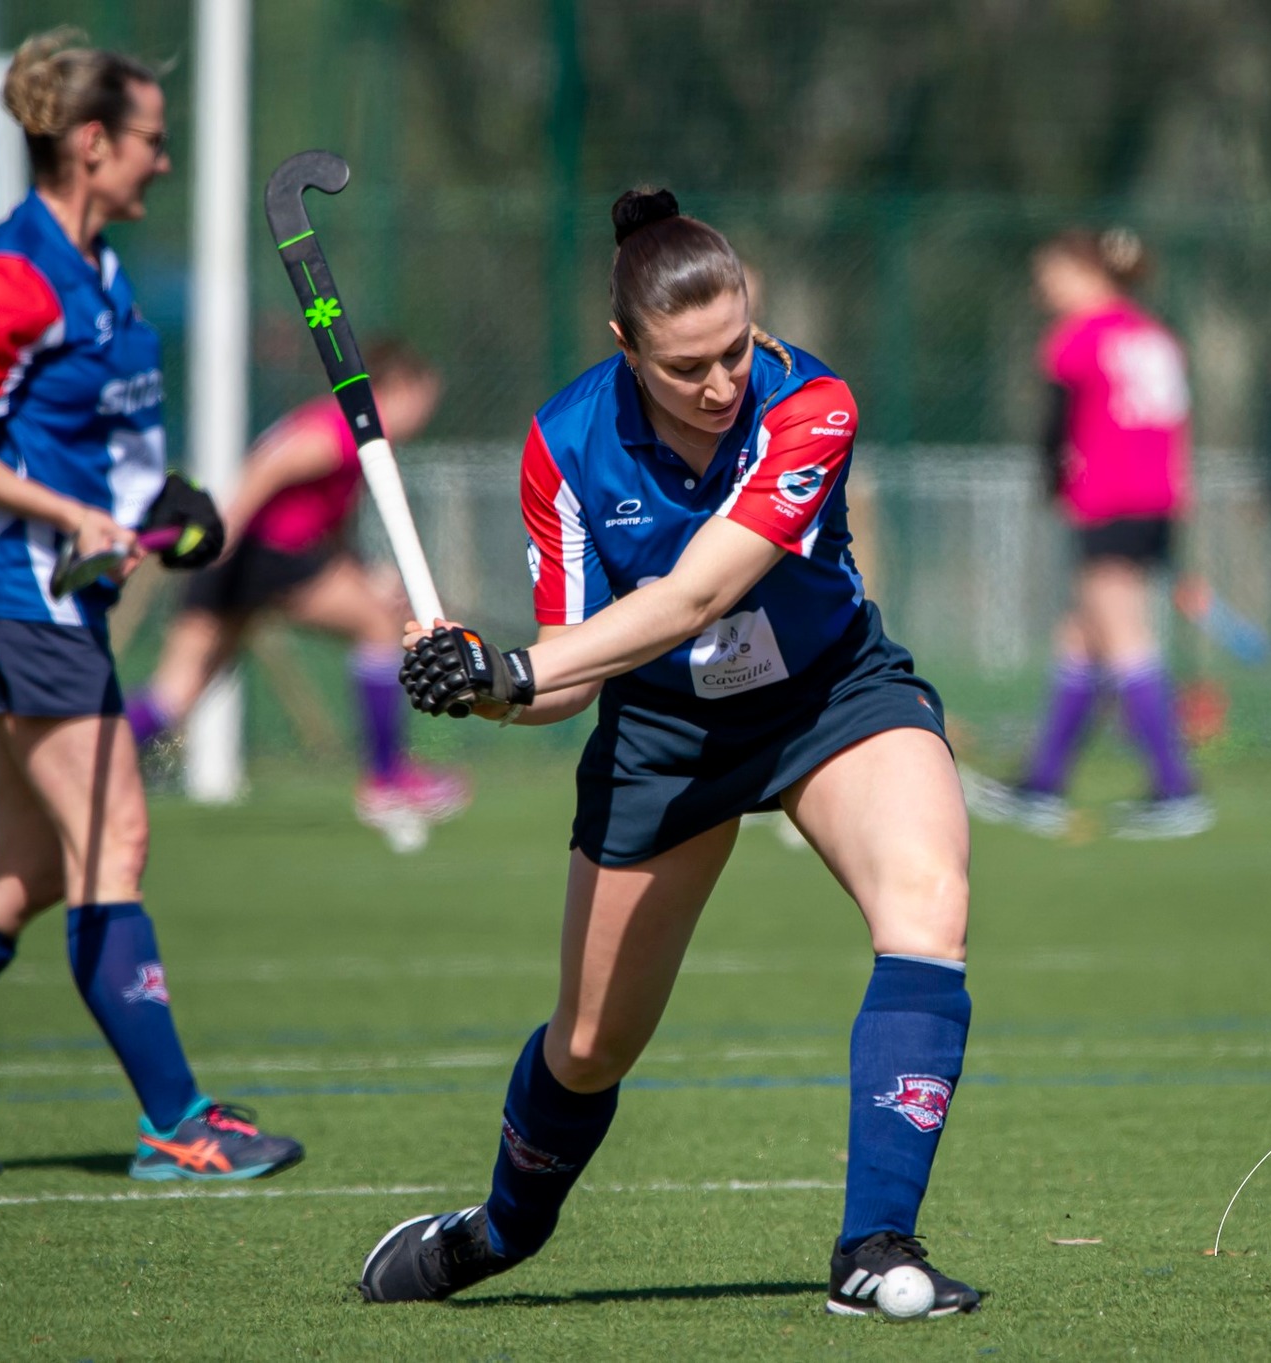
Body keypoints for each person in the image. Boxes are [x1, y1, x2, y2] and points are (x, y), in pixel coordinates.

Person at [356, 189, 981, 1319]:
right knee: (591, 1043)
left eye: (734, 349)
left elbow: (697, 593)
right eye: (686, 366)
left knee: (928, 906)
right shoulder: (564, 445)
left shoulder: (810, 404)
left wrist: (514, 670)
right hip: (662, 736)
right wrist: (482, 685)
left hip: (829, 695)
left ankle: (875, 1246)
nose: (721, 383)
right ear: (625, 348)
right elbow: (567, 677)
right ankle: (497, 1230)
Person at [0, 30, 301, 1181]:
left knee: (30, 866)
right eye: (149, 141)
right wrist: (73, 515)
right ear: (90, 143)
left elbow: (80, 437)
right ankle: (179, 1124)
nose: (162, 162)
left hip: (49, 601)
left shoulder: (97, 268)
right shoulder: (15, 273)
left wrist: (152, 509)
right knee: (114, 840)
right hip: (10, 597)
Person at [125, 341, 469, 842]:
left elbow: (330, 523)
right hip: (267, 556)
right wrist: (227, 528)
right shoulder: (338, 431)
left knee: (175, 693)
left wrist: (366, 574)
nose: (424, 413)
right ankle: (386, 779)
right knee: (378, 625)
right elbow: (271, 464)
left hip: (257, 559)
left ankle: (86, 761)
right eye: (422, 399)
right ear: (397, 388)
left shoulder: (355, 439)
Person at [964, 228, 1211, 839]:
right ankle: (1042, 784)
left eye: (1052, 275)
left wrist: (1051, 482)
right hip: (1155, 501)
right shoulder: (1154, 335)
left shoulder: (1079, 336)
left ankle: (1176, 788)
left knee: (1123, 635)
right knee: (1081, 637)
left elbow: (1055, 426)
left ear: (1087, 273)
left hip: (1109, 500)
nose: (1044, 288)